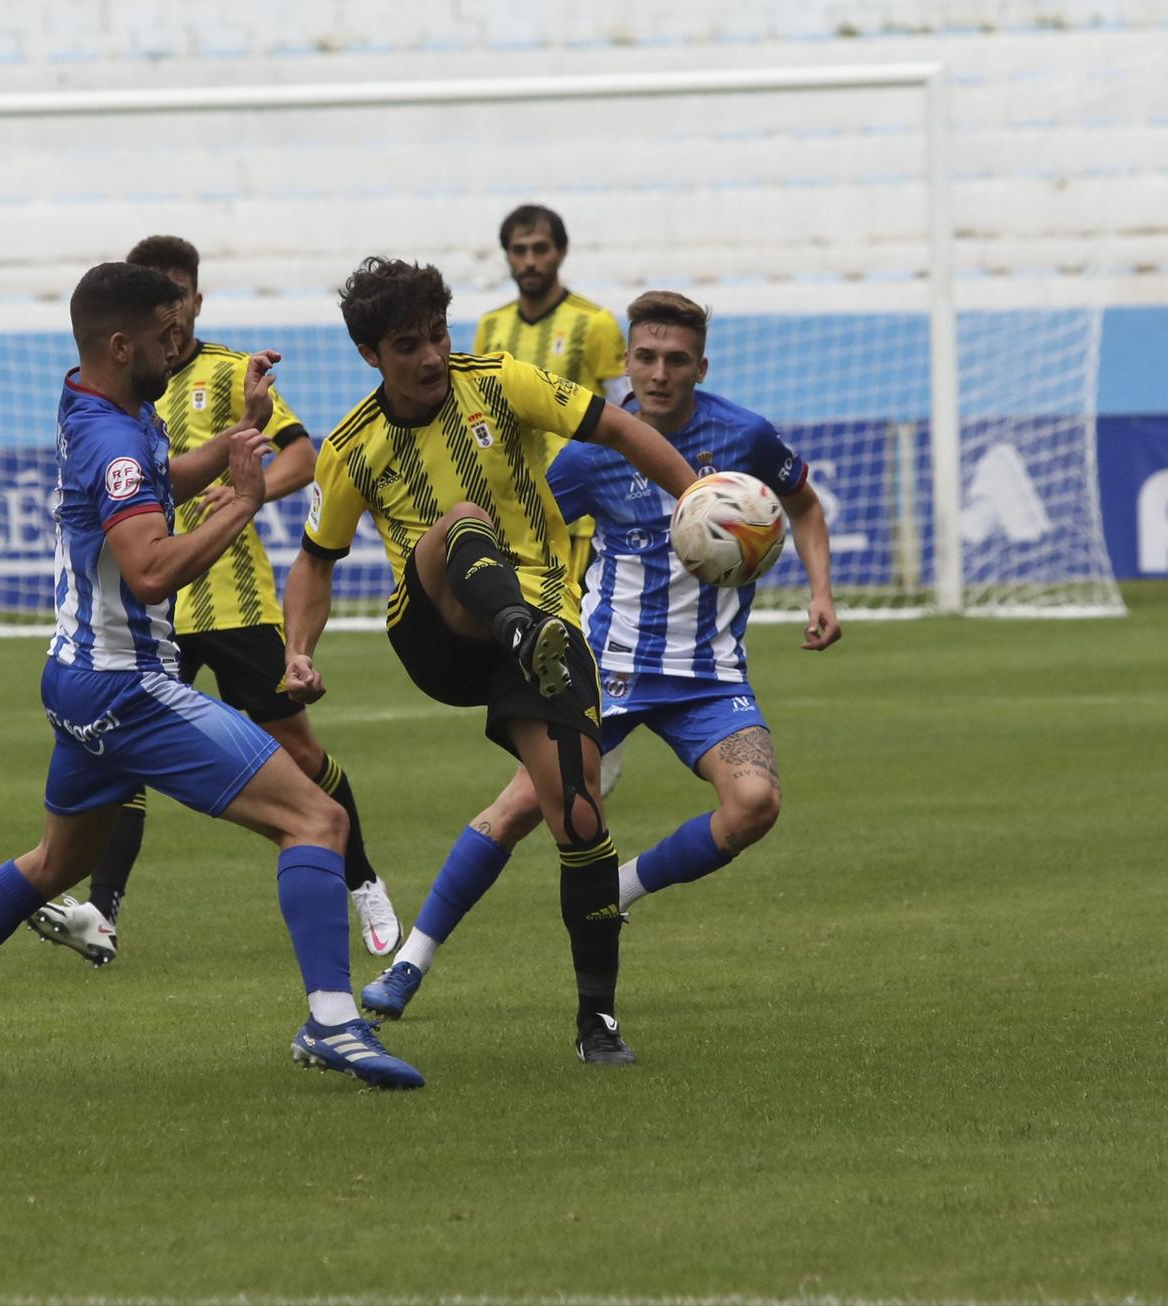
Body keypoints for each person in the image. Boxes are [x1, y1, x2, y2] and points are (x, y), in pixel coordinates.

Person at [0, 262, 422, 1090]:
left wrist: (234, 443)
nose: (180, 343)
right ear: (124, 344)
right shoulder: (117, 437)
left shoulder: (102, 403)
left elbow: (155, 480)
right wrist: (243, 500)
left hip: (75, 675)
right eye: (166, 336)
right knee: (317, 819)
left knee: (54, 863)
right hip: (126, 686)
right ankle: (332, 1023)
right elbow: (152, 570)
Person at [360, 290, 842, 1027]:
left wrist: (821, 593)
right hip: (608, 669)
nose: (658, 372)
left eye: (676, 359)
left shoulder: (745, 438)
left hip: (709, 676)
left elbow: (802, 504)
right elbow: (524, 531)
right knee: (519, 806)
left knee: (756, 805)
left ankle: (618, 890)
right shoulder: (590, 457)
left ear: (699, 365)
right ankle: (409, 962)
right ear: (625, 361)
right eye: (644, 356)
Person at [282, 258, 698, 1066]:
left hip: (545, 620)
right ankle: (517, 631)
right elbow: (314, 564)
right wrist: (298, 652)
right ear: (372, 354)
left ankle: (597, 1022)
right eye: (409, 345)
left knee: (578, 818)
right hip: (436, 627)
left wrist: (695, 496)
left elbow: (615, 426)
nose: (433, 356)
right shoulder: (353, 446)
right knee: (464, 520)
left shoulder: (502, 381)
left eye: (438, 334)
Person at [24, 235, 399, 968]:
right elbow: (152, 485)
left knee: (298, 751)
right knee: (119, 754)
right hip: (157, 615)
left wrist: (245, 486)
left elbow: (300, 454)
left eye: (180, 294)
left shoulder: (228, 371)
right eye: (157, 295)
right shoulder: (127, 399)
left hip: (232, 600)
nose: (173, 314)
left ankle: (364, 883)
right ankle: (102, 910)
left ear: (196, 300)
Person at [473, 203, 629, 590]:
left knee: (572, 630)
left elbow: (628, 411)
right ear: (507, 255)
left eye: (540, 248)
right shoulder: (491, 327)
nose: (529, 260)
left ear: (560, 251)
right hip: (510, 512)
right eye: (519, 250)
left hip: (579, 516)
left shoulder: (594, 323)